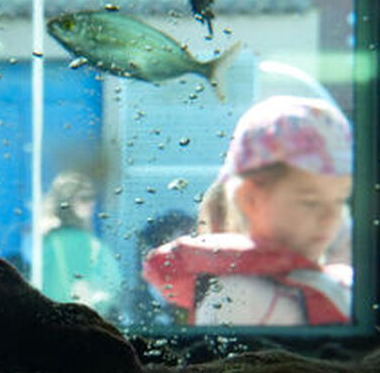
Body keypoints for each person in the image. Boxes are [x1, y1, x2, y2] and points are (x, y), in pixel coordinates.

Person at [142, 96, 354, 326]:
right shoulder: (237, 299)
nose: (331, 217)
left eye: (340, 200)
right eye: (310, 202)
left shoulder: (329, 282)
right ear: (250, 199)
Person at [37, 171, 122, 319]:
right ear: (67, 202)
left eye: (93, 197)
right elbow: (83, 289)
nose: (92, 203)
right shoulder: (77, 241)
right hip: (74, 322)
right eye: (84, 198)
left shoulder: (48, 239)